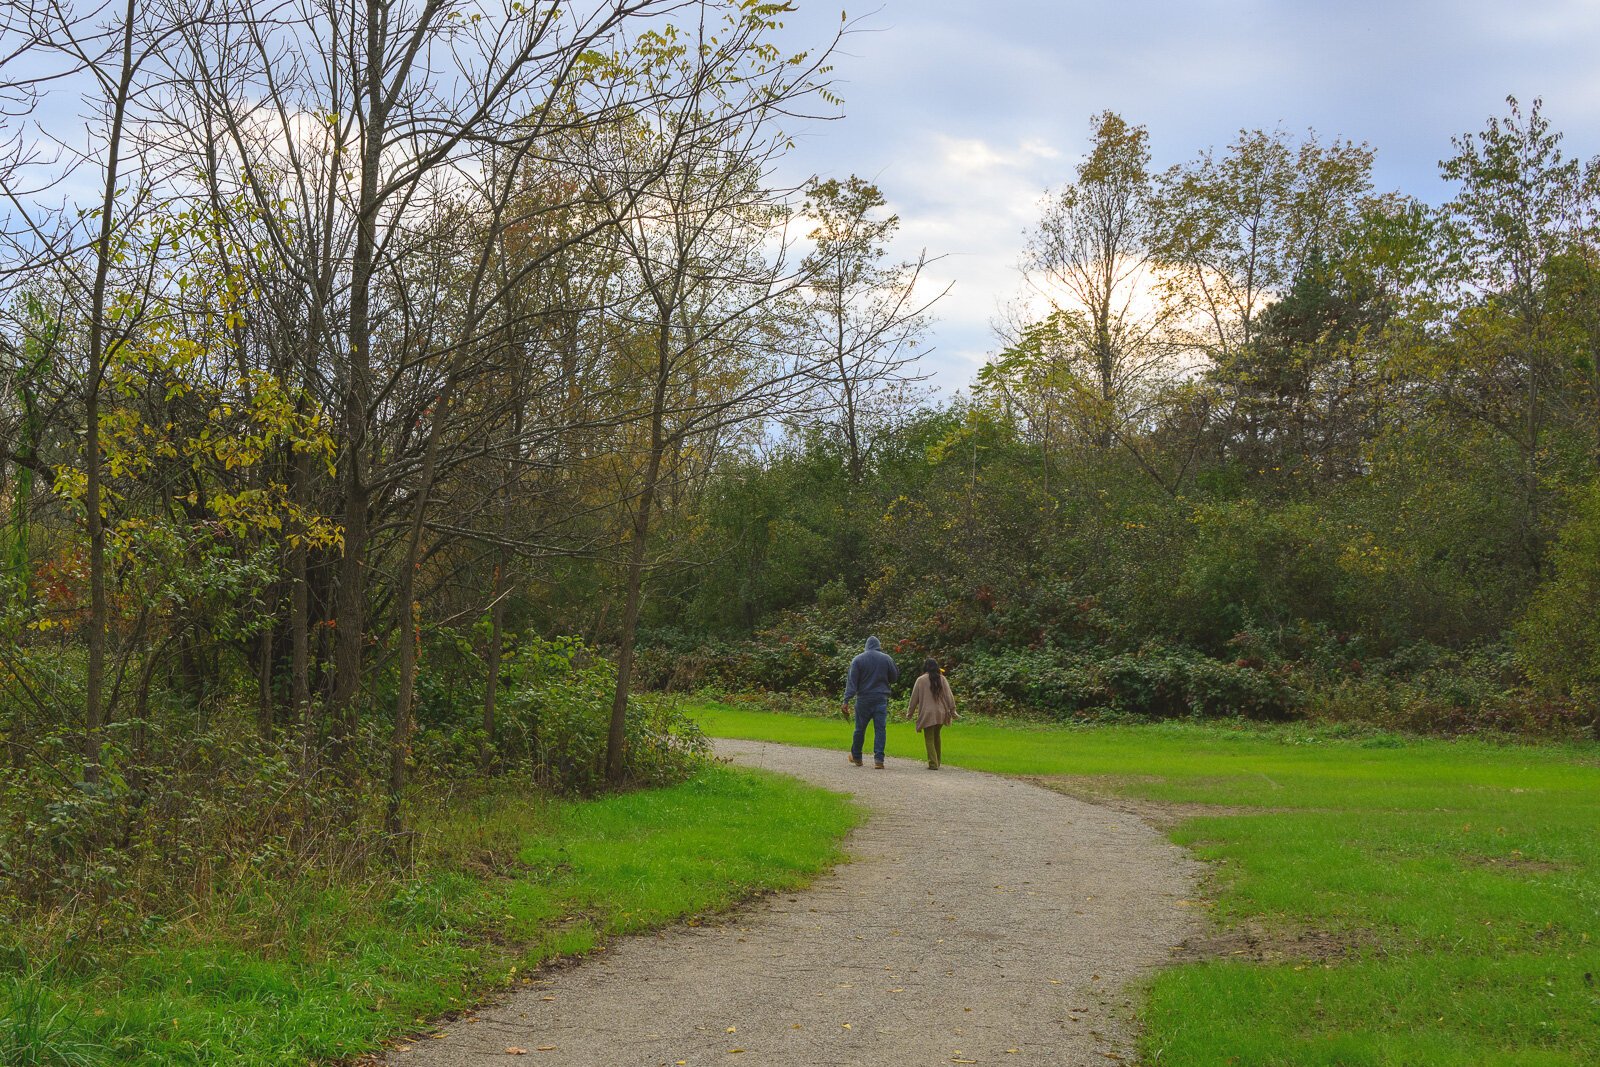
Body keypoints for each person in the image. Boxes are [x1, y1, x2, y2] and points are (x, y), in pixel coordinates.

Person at [842, 635, 899, 768]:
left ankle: (857, 757)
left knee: (859, 729)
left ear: (866, 646)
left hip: (863, 699)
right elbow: (894, 677)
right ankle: (879, 760)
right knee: (880, 729)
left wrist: (846, 700)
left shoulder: (858, 660)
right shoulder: (887, 658)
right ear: (879, 646)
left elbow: (852, 682)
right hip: (881, 699)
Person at [907, 657, 956, 769]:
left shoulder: (921, 680)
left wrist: (910, 713)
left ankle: (933, 764)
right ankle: (938, 761)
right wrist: (953, 710)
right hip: (941, 712)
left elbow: (914, 698)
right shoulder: (942, 679)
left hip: (927, 713)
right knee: (936, 736)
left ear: (925, 667)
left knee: (929, 738)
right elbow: (949, 696)